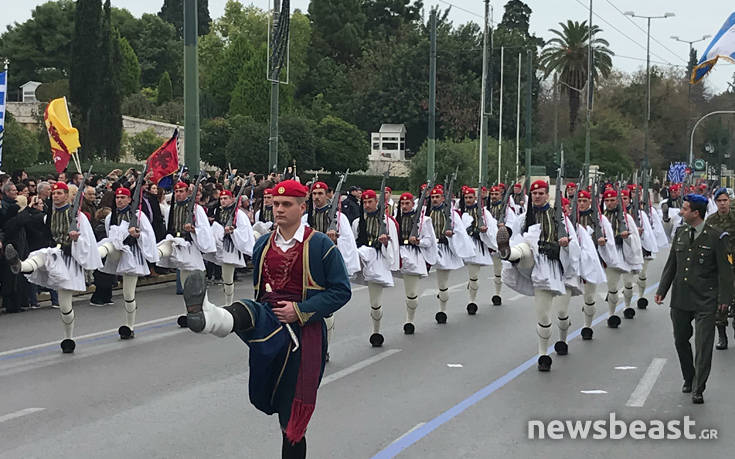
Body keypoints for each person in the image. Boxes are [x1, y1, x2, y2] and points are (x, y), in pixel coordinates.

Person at [181, 179, 351, 458]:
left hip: (303, 337)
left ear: (301, 207)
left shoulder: (320, 245)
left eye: (286, 204)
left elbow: (341, 291)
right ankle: (208, 317)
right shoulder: (263, 245)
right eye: (275, 205)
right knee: (251, 310)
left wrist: (299, 310)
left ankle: (213, 318)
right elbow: (261, 292)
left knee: (290, 418)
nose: (279, 210)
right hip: (269, 327)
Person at [5, 182, 103, 353]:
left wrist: (76, 240)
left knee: (65, 306)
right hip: (54, 254)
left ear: (66, 195)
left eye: (59, 193)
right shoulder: (48, 215)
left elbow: (88, 242)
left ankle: (68, 337)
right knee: (41, 255)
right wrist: (29, 208)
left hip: (70, 259)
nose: (56, 196)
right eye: (54, 193)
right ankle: (19, 265)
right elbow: (20, 223)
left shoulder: (78, 217)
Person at [655, 193, 733, 404]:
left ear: (696, 213)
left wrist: (724, 299)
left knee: (703, 344)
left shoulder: (717, 236)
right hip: (681, 297)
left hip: (706, 299)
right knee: (681, 339)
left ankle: (699, 387)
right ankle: (688, 376)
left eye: (686, 208)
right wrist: (662, 289)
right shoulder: (680, 233)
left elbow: (726, 271)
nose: (681, 211)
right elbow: (672, 264)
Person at [497, 180, 577, 372]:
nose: (537, 196)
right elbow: (514, 234)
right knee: (542, 314)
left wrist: (566, 244)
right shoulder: (524, 218)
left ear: (547, 195)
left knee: (562, 314)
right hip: (536, 266)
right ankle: (543, 355)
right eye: (534, 194)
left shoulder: (560, 218)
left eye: (541, 193)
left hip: (557, 267)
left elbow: (576, 248)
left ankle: (563, 339)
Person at [303, 181, 360, 357]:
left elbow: (349, 243)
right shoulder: (306, 218)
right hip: (309, 265)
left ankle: (324, 348)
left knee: (326, 309)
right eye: (314, 194)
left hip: (327, 265)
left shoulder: (339, 217)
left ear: (327, 194)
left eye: (320, 193)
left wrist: (335, 239)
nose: (317, 197)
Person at [97, 187, 160, 339]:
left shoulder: (138, 215)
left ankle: (130, 325)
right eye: (117, 197)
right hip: (118, 254)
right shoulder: (110, 217)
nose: (119, 200)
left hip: (133, 256)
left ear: (129, 199)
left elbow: (149, 235)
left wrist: (138, 235)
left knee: (128, 293)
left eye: (123, 197)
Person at [157, 180, 216, 325]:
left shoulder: (196, 209)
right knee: (185, 283)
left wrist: (194, 230)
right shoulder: (172, 208)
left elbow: (205, 229)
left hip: (191, 246)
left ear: (187, 192)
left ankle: (205, 309)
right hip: (178, 245)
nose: (178, 194)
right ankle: (189, 312)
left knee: (197, 279)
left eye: (181, 191)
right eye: (176, 191)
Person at [352, 189, 399, 346]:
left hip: (380, 259)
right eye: (364, 202)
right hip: (365, 258)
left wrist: (386, 244)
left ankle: (376, 330)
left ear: (376, 202)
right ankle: (375, 330)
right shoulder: (358, 222)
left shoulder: (387, 221)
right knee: (373, 298)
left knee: (376, 301)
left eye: (369, 201)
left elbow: (394, 245)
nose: (367, 205)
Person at [394, 192, 437, 334]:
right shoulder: (395, 219)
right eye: (402, 204)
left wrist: (418, 241)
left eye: (407, 203)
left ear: (413, 204)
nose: (404, 206)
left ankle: (409, 320)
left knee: (411, 292)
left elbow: (429, 240)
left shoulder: (423, 220)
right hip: (398, 255)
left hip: (414, 255)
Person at [207, 189, 255, 305]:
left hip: (231, 247)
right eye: (221, 199)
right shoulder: (219, 211)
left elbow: (243, 230)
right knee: (225, 276)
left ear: (232, 199)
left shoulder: (239, 214)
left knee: (227, 276)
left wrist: (233, 232)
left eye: (225, 198)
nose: (223, 201)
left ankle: (228, 302)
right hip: (220, 246)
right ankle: (227, 301)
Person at [705, 188, 735, 350]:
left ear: (729, 201)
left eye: (725, 200)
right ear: (716, 203)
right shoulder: (711, 221)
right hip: (719, 268)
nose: (722, 203)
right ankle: (722, 336)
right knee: (720, 304)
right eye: (719, 201)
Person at [459, 186, 495, 315]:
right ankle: (471, 296)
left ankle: (471, 301)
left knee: (473, 275)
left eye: (470, 197)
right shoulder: (460, 212)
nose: (468, 200)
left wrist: (485, 230)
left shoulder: (484, 212)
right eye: (466, 197)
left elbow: (491, 227)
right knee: (471, 274)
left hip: (477, 245)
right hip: (465, 245)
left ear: (475, 198)